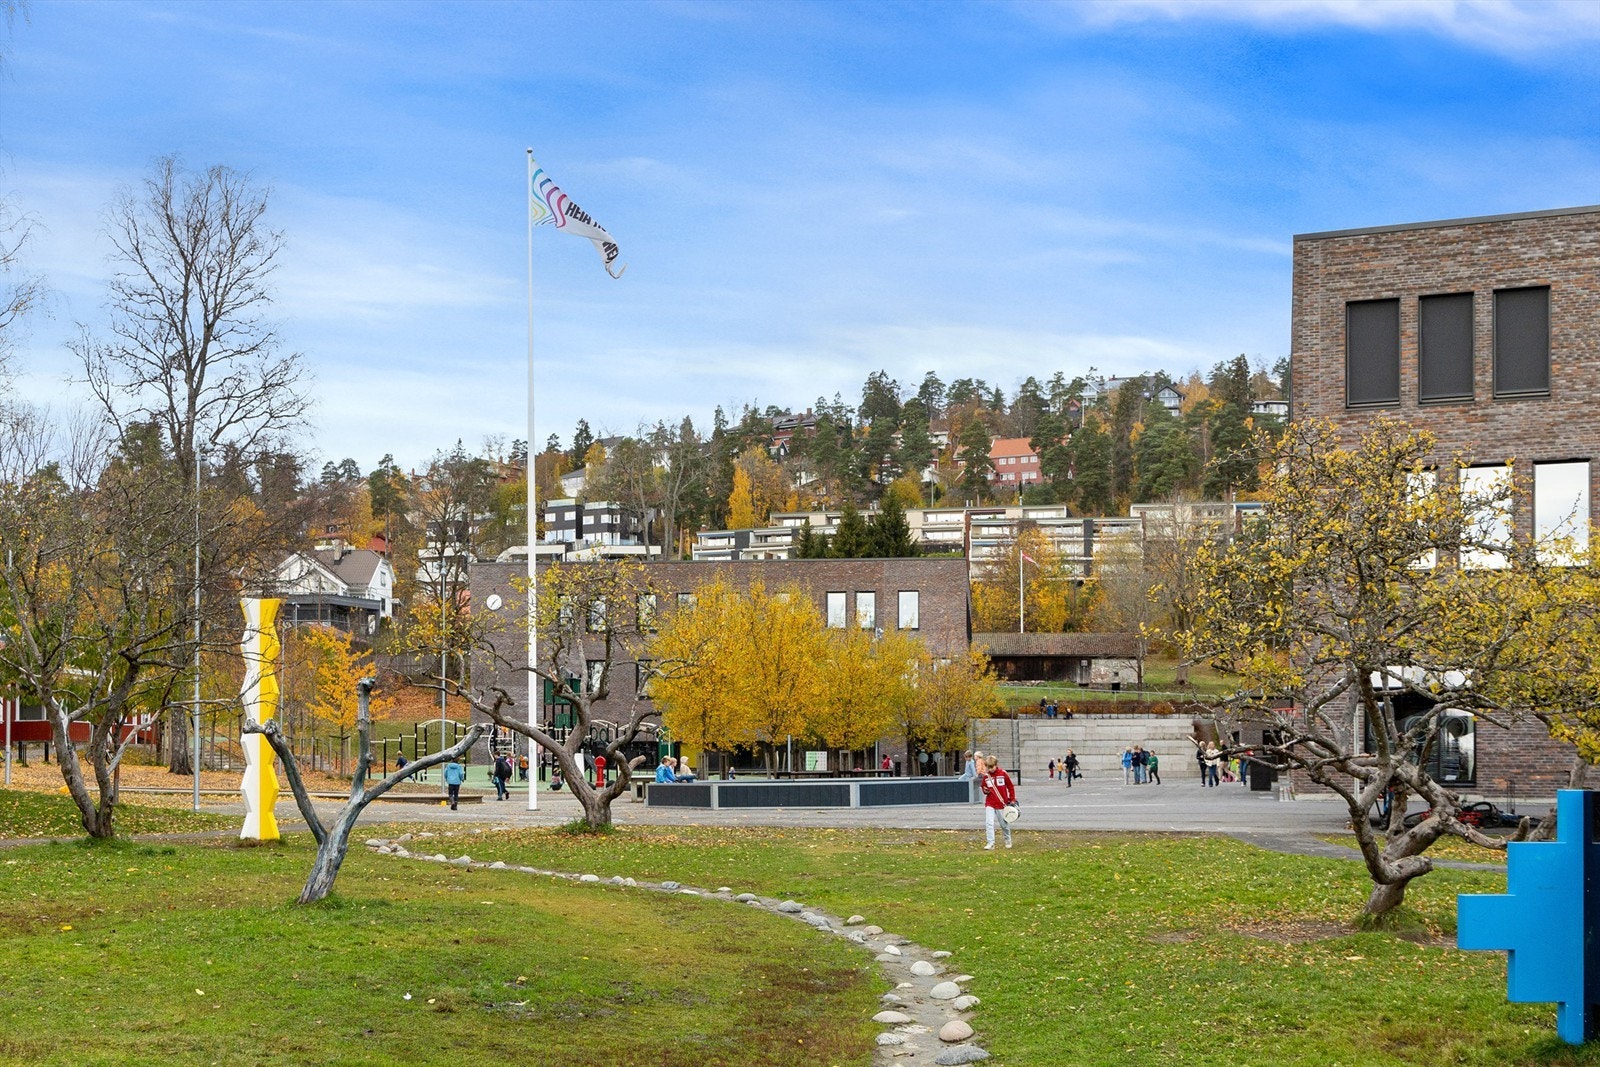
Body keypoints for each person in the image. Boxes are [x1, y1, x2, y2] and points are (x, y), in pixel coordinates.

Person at [979, 755, 1017, 850]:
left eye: (991, 767)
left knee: (1004, 824)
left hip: (1001, 803)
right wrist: (985, 790)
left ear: (996, 765)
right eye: (988, 767)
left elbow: (1010, 787)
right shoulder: (986, 777)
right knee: (989, 823)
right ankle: (990, 843)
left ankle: (1007, 839)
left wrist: (1012, 799)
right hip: (990, 802)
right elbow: (983, 787)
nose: (990, 769)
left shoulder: (1003, 774)